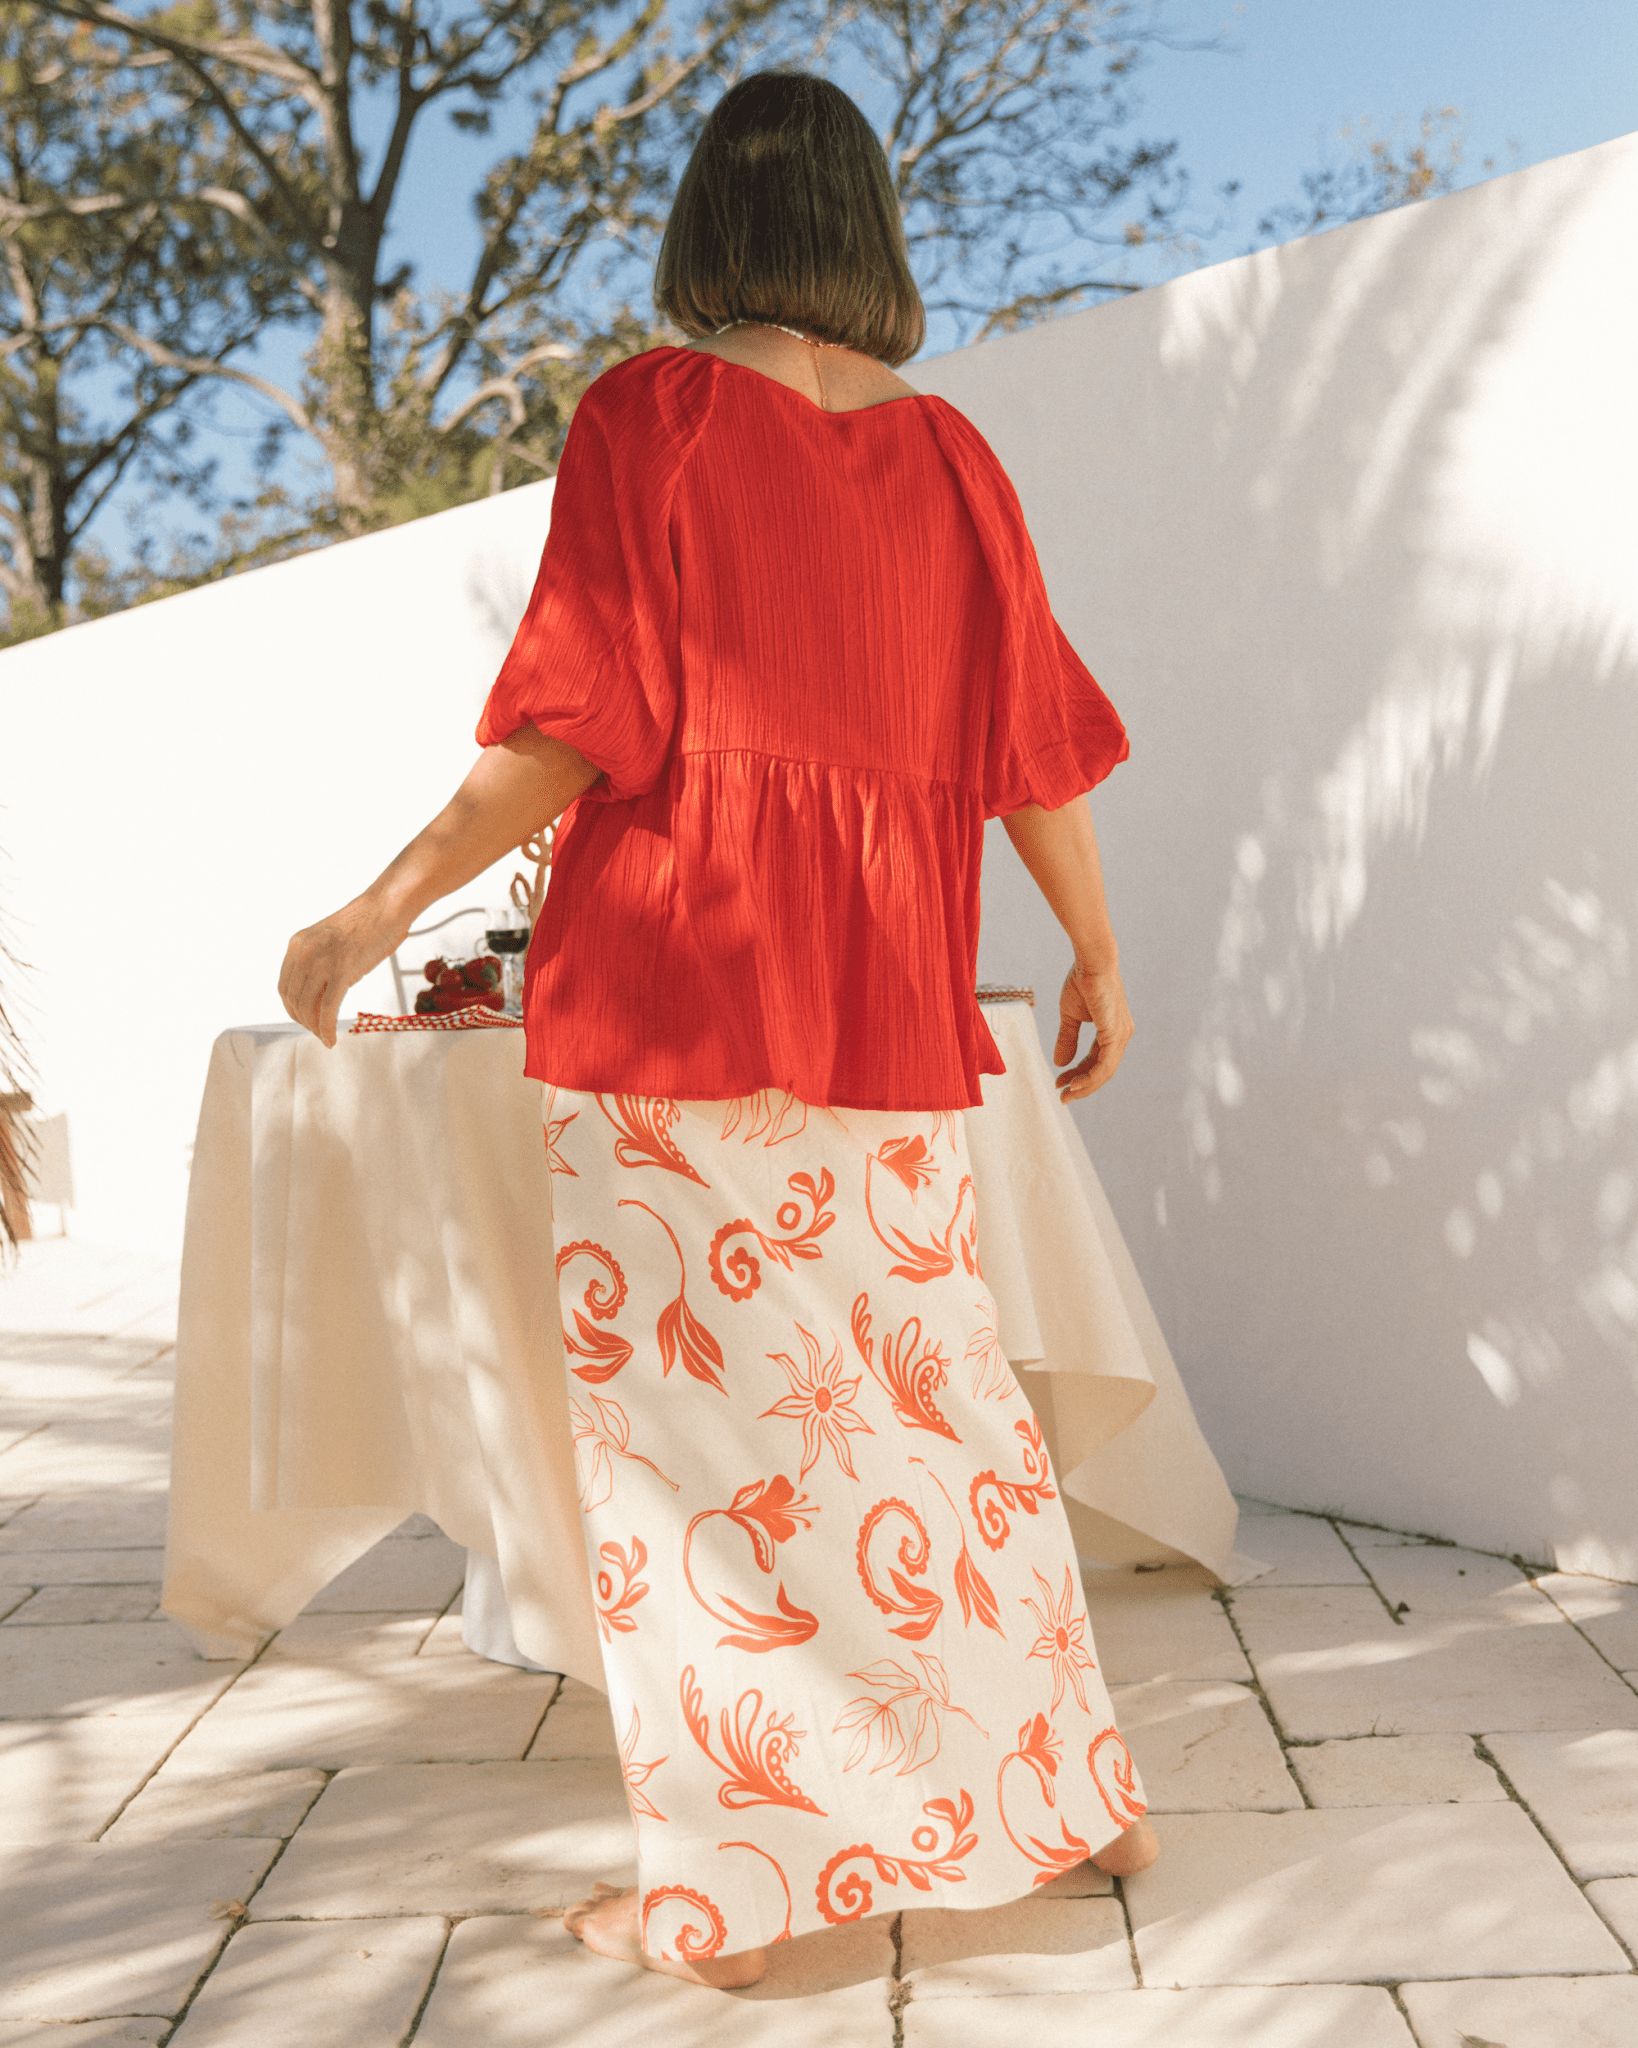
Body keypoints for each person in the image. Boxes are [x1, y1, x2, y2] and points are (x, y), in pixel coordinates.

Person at [279, 69, 1157, 1993]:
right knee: (934, 1405)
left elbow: (576, 723)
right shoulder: (953, 457)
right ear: (867, 227)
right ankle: (1076, 1799)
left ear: (712, 224)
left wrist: (377, 906)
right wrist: (1095, 950)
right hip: (888, 998)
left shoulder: (655, 415)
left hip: (674, 998)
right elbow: (1029, 745)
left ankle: (742, 1895)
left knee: (702, 1447)